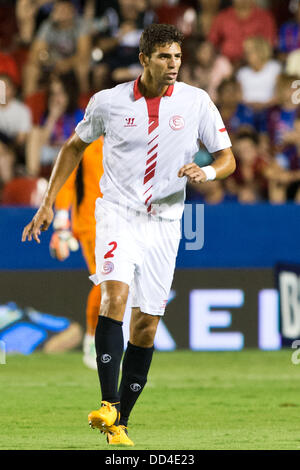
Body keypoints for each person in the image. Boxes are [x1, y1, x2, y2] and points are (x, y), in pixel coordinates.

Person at [22, 23, 236, 447]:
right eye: (163, 57)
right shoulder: (109, 102)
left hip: (166, 223)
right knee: (114, 296)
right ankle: (105, 402)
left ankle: (119, 422)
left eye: (177, 57)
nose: (173, 64)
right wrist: (48, 202)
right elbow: (72, 147)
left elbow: (227, 158)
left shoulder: (197, 102)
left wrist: (206, 171)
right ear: (144, 59)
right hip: (118, 213)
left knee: (146, 327)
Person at [49, 137, 104, 369]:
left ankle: (109, 344)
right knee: (104, 280)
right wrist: (62, 223)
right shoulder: (87, 140)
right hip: (91, 224)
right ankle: (92, 342)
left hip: (125, 223)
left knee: (123, 284)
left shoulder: (133, 136)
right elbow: (67, 178)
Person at [208, 0, 277, 64]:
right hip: (227, 66)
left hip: (257, 66)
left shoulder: (264, 17)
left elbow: (269, 44)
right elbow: (212, 43)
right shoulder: (222, 17)